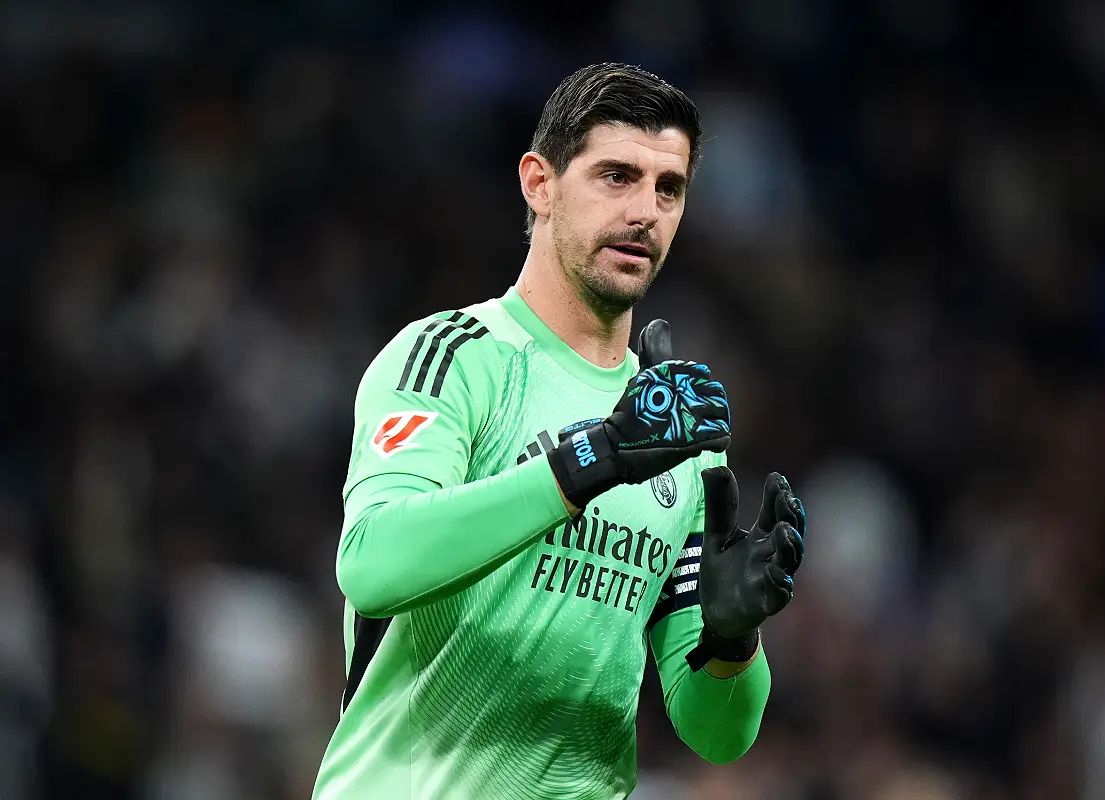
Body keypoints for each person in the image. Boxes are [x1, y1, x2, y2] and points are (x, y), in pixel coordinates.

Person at [312, 62, 807, 800]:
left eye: (668, 188)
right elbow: (373, 564)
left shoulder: (680, 430)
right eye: (616, 176)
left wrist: (733, 644)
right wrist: (592, 460)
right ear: (539, 183)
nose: (645, 210)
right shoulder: (453, 357)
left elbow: (717, 735)